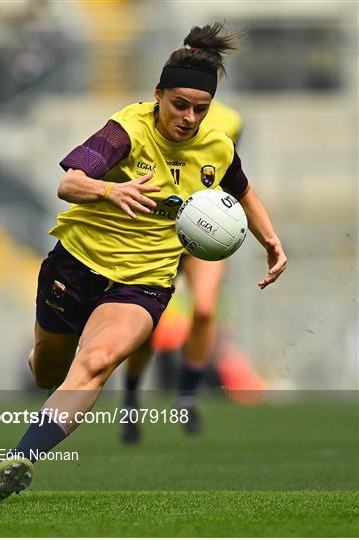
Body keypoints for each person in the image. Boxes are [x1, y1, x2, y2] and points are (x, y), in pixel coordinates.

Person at [0, 22, 287, 501]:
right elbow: (68, 184)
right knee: (48, 372)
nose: (189, 118)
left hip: (144, 281)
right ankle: (46, 377)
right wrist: (111, 189)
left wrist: (270, 240)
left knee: (97, 361)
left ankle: (22, 457)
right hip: (77, 264)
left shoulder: (217, 147)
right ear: (157, 95)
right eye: (180, 105)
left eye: (200, 109)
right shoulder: (126, 129)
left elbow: (242, 190)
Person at [121, 99, 243, 443]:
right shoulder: (153, 115)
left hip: (205, 230)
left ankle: (186, 397)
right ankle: (131, 398)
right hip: (160, 231)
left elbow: (231, 176)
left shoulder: (231, 121)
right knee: (147, 323)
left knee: (204, 310)